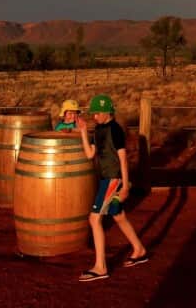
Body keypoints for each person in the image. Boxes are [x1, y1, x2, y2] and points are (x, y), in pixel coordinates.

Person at [77, 94, 147, 282]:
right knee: (118, 215)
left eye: (98, 113)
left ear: (108, 112)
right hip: (105, 179)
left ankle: (100, 267)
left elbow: (123, 159)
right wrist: (83, 131)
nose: (95, 117)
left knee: (94, 219)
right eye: (93, 114)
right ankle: (139, 249)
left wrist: (125, 185)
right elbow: (90, 154)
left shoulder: (115, 130)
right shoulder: (97, 130)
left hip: (112, 179)